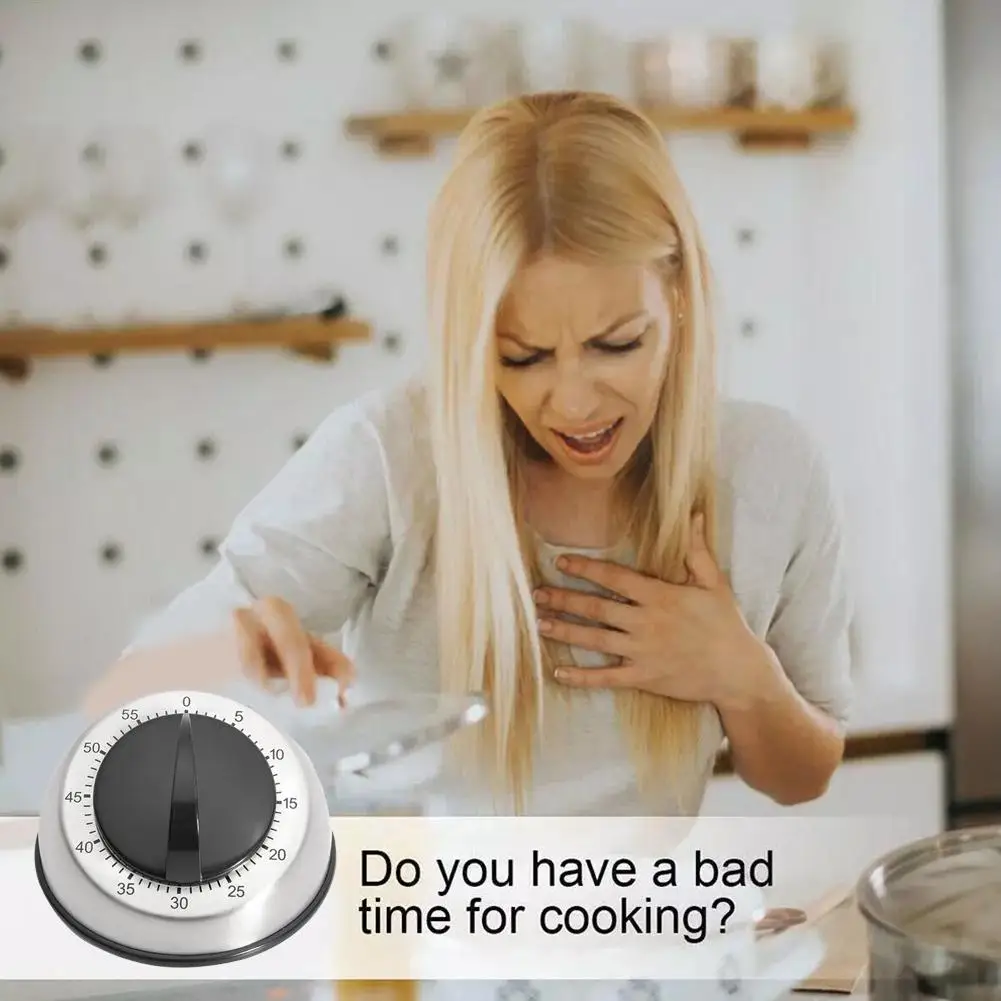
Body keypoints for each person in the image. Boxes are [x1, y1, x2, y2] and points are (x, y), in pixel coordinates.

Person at [83, 91, 853, 819]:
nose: (574, 402)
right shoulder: (389, 454)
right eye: (522, 357)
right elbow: (125, 693)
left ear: (679, 292)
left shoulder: (771, 467)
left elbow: (801, 776)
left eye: (615, 344)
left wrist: (742, 678)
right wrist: (221, 656)